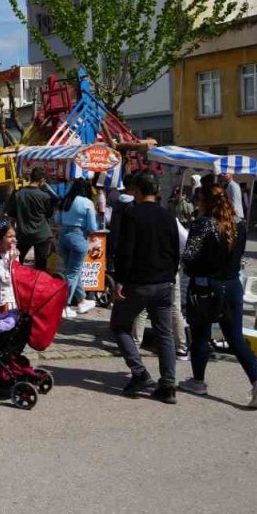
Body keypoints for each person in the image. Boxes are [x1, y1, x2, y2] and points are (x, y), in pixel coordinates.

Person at [178, 182, 257, 409]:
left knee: (200, 336)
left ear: (206, 202)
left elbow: (189, 256)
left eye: (198, 200)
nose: (195, 204)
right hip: (231, 284)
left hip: (205, 285)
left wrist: (187, 265)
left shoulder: (203, 224)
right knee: (235, 337)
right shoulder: (239, 224)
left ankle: (198, 381)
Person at [111, 172, 180, 404]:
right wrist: (171, 275)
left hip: (138, 282)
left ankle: (139, 372)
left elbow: (125, 250)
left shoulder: (132, 215)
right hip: (163, 282)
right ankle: (168, 385)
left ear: (138, 191)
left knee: (120, 325)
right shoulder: (168, 216)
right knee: (165, 333)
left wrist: (119, 280)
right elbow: (175, 249)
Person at [55, 177, 100, 317]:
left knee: (74, 271)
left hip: (63, 237)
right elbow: (92, 227)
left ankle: (82, 301)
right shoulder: (87, 203)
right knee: (72, 273)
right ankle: (64, 306)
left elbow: (57, 220)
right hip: (78, 237)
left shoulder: (65, 200)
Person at [5, 167, 58, 271]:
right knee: (41, 267)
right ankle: (38, 286)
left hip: (23, 234)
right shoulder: (45, 197)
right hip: (42, 235)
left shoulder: (18, 194)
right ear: (42, 180)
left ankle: (17, 284)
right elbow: (49, 214)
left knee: (16, 263)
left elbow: (11, 213)